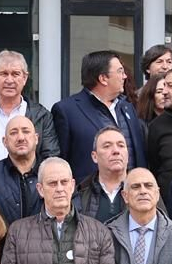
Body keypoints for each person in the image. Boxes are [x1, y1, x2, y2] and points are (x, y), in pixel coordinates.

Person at [55, 49, 146, 181]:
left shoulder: (127, 107)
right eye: (120, 71)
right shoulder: (67, 111)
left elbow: (139, 154)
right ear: (103, 78)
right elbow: (60, 161)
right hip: (89, 196)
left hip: (130, 192)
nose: (125, 76)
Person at [0, 49, 60, 166]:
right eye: (4, 74)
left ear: (24, 78)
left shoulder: (42, 116)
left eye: (15, 74)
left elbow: (50, 158)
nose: (9, 80)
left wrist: (29, 182)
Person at [0, 115, 44, 225]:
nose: (20, 138)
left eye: (26, 131)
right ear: (4, 141)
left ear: (36, 138)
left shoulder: (54, 173)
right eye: (13, 133)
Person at [74, 126, 130, 221]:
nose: (116, 151)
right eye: (107, 146)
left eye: (121, 145)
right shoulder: (81, 193)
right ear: (95, 157)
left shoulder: (144, 188)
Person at [134, 43, 172, 122]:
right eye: (159, 62)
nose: (165, 67)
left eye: (169, 62)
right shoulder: (136, 98)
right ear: (147, 68)